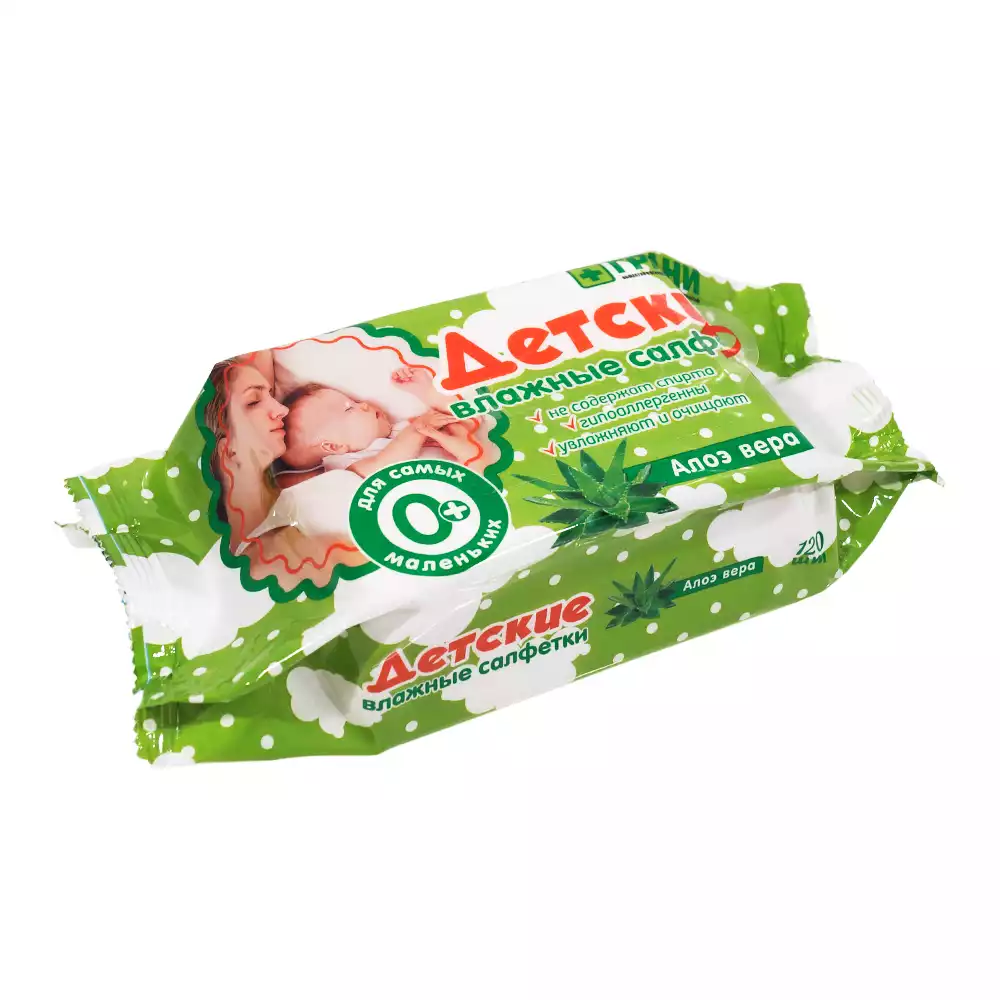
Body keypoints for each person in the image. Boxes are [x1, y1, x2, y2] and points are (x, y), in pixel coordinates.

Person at [204, 353, 365, 589]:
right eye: (253, 402)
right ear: (229, 451)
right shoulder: (270, 560)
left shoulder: (298, 495)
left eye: (270, 395)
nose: (282, 409)